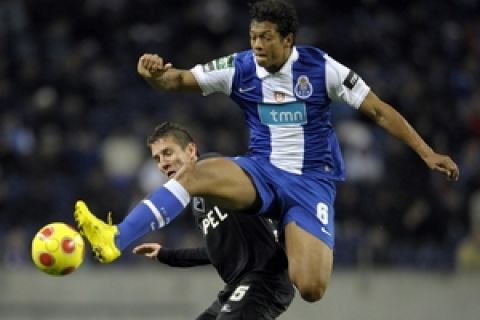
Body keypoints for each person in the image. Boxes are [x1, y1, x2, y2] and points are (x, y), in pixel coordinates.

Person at [75, 0, 460, 302]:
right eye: (253, 36)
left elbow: (377, 109)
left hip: (311, 183)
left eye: (266, 37)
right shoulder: (240, 68)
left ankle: (286, 236)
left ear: (287, 39)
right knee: (194, 173)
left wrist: (426, 153)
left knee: (310, 288)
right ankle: (115, 238)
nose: (257, 44)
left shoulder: (321, 67)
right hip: (262, 172)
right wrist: (154, 75)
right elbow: (178, 80)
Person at [131, 122, 295, 319]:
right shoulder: (199, 201)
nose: (163, 163)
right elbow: (217, 252)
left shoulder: (214, 168)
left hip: (264, 279)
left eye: (168, 153)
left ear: (191, 150)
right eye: (157, 158)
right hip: (236, 286)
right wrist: (166, 255)